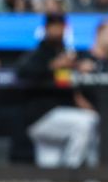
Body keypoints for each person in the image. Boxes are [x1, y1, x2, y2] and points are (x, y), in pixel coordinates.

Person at [16, 13, 99, 168]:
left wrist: (76, 66)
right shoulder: (40, 53)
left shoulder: (68, 53)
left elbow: (82, 70)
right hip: (41, 116)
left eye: (60, 26)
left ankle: (68, 177)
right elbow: (22, 72)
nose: (57, 30)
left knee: (49, 175)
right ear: (46, 28)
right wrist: (53, 65)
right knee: (87, 122)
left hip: (60, 118)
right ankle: (71, 173)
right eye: (53, 26)